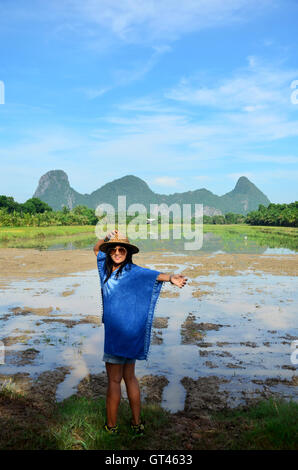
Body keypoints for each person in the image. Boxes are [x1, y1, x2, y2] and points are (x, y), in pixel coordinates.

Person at [93, 229, 187, 435]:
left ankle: (111, 428)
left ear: (128, 252)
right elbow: (96, 248)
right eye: (113, 250)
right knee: (130, 378)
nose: (117, 253)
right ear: (109, 253)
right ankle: (137, 425)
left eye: (121, 249)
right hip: (131, 336)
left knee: (115, 381)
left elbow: (156, 275)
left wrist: (171, 278)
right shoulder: (106, 269)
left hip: (117, 336)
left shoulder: (125, 272)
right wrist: (107, 238)